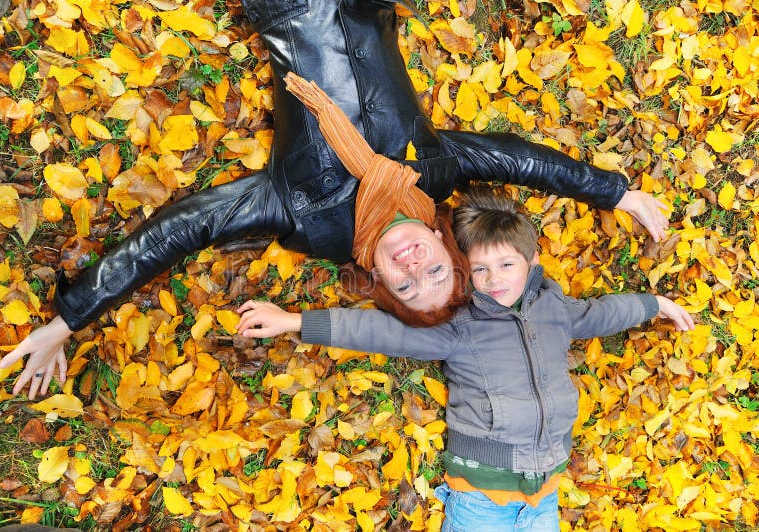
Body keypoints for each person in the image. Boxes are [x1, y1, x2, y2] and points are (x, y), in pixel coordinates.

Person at [0, 0, 669, 398]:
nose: (414, 265)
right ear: (447, 245)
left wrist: (67, 321)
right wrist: (616, 191)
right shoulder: (433, 177)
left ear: (376, 282)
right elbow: (515, 156)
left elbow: (178, 231)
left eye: (406, 286)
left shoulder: (301, 219)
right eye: (436, 270)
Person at [235, 186, 693, 531]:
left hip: (546, 490)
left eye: (507, 266)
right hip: (480, 497)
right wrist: (294, 321)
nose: (494, 280)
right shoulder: (457, 327)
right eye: (480, 270)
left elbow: (604, 313)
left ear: (532, 263)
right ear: (463, 273)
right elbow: (380, 332)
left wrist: (655, 305)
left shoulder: (558, 309)